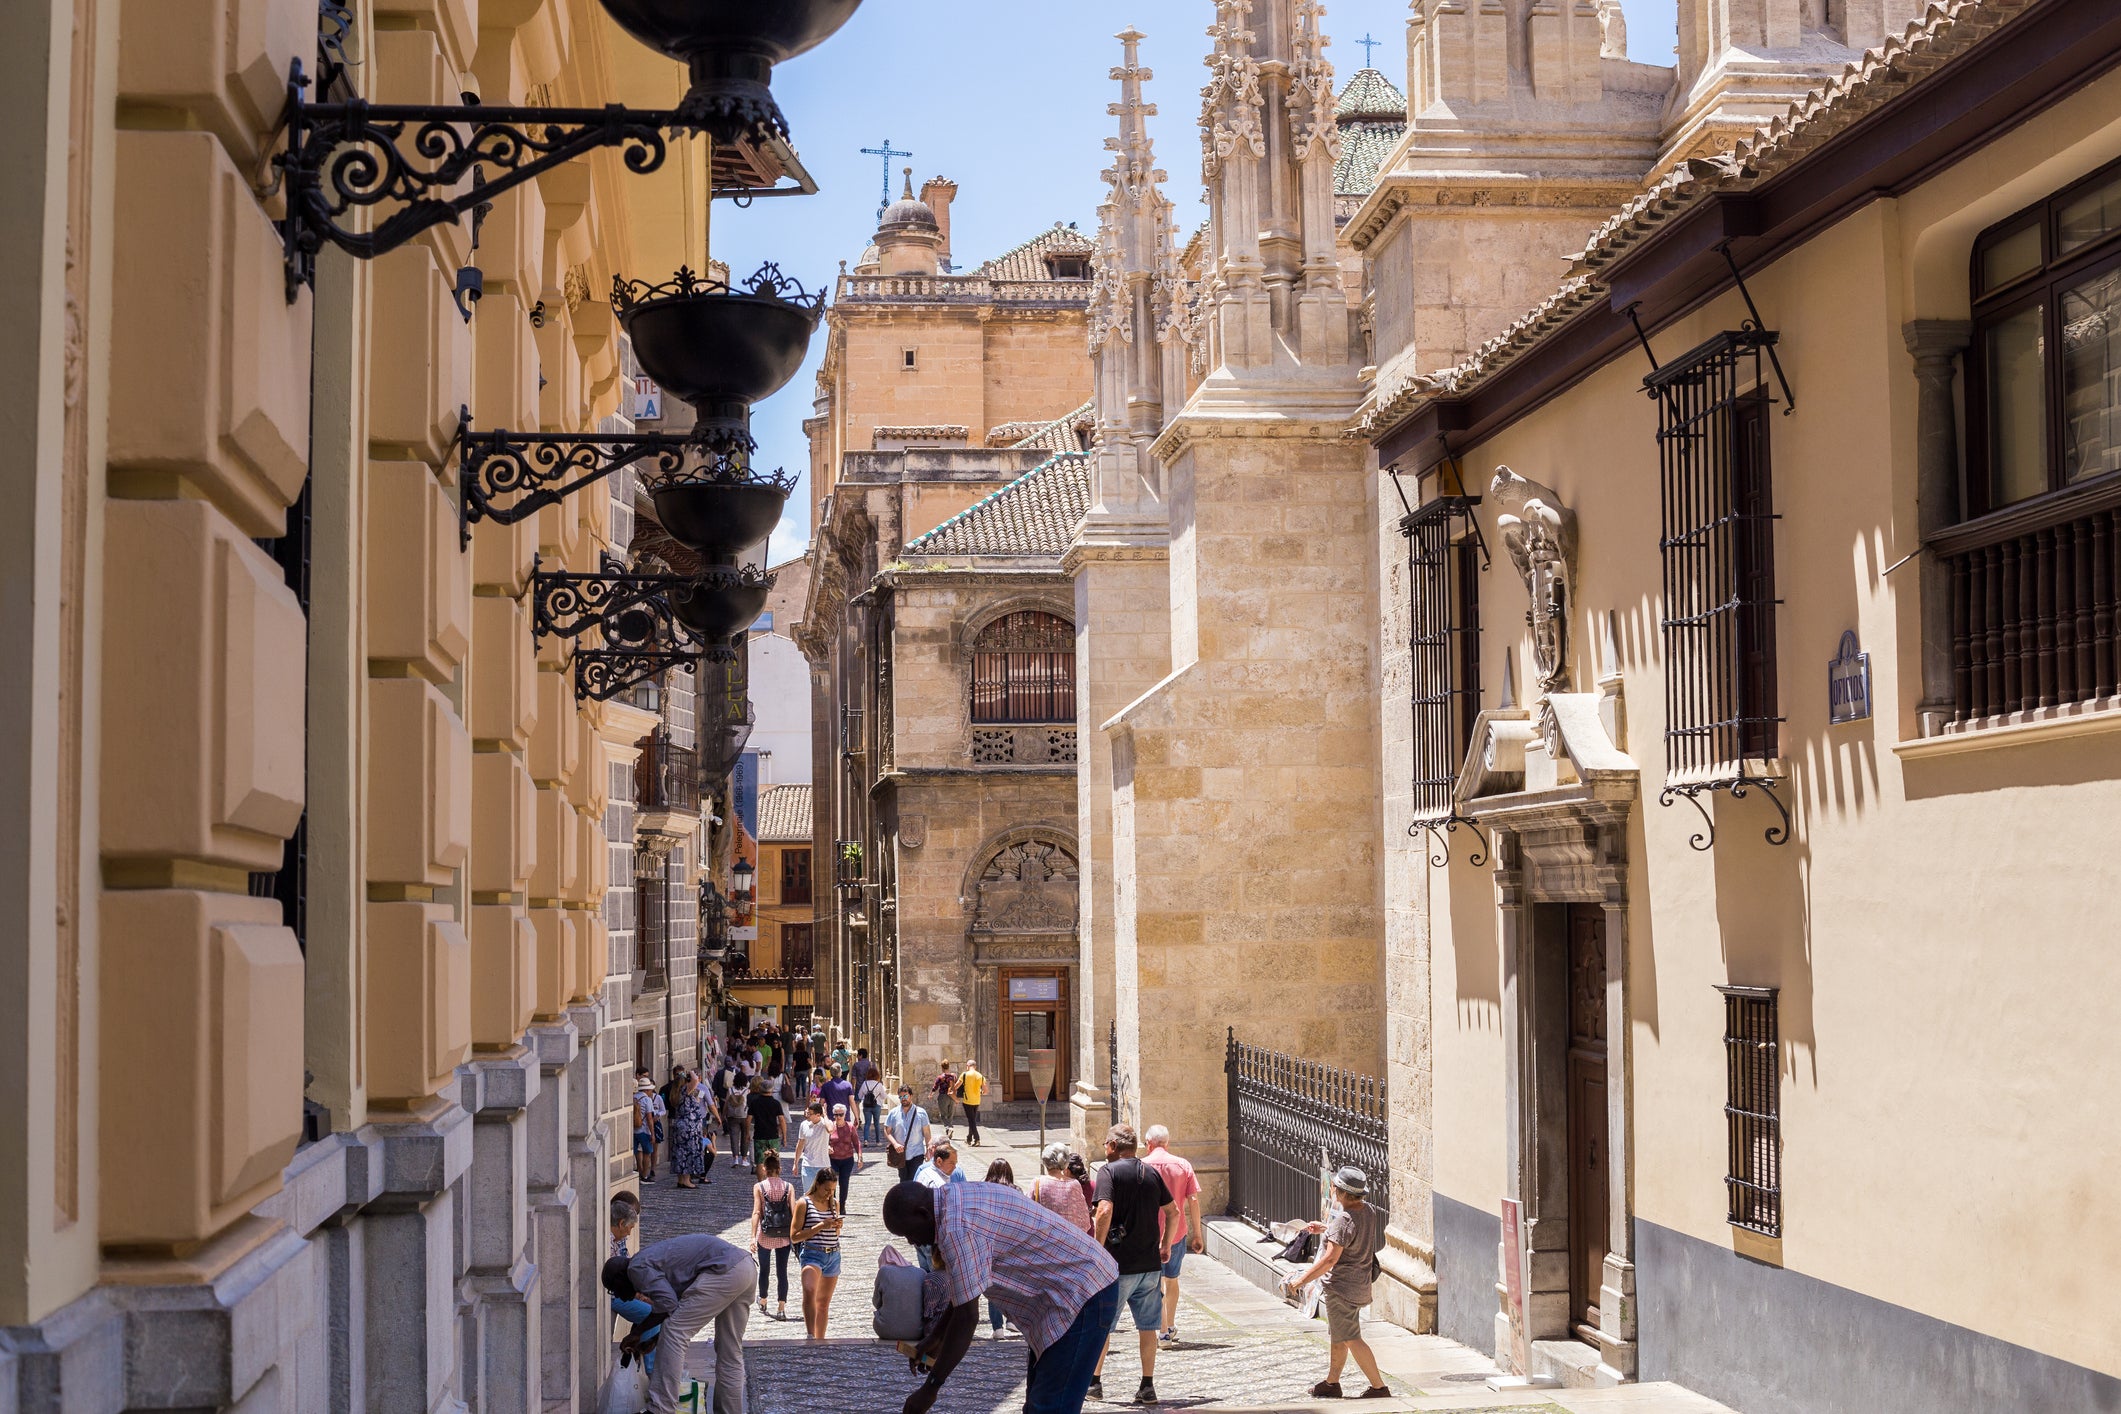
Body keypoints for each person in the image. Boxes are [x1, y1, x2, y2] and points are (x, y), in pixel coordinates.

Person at [882, 1180, 1118, 1414]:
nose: (912, 1242)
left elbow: (966, 1317)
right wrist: (936, 1337)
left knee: (1050, 1407)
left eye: (908, 1233)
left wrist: (930, 1388)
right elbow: (964, 1293)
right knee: (1040, 1404)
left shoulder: (956, 1228)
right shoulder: (952, 1199)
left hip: (1082, 1293)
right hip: (1064, 1296)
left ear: (922, 1214)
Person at [603, 1232, 756, 1414]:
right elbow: (672, 1308)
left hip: (724, 1271)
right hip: (745, 1267)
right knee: (729, 1351)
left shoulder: (635, 1268)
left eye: (614, 1290)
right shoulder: (647, 1260)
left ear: (620, 1277)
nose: (618, 1295)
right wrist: (651, 1338)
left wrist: (638, 1331)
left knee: (674, 1332)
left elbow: (669, 1304)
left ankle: (660, 1408)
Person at [1281, 1166, 1390, 1400]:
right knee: (1339, 1334)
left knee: (1351, 1337)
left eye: (1333, 1187)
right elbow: (1350, 1233)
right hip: (1359, 1284)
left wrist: (1301, 1280)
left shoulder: (1343, 1220)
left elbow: (1330, 1259)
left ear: (1339, 1192)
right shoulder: (1368, 1211)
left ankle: (1379, 1387)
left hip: (1342, 1289)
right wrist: (1326, 1229)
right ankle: (1332, 1382)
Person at [1089, 1124, 1177, 1406]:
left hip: (1117, 1265)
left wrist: (1097, 1249)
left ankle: (1094, 1383)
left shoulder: (1108, 1172)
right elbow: (1173, 1212)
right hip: (1149, 1264)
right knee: (1148, 1327)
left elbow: (1104, 1210)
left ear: (1114, 1145)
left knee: (1103, 1326)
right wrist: (1166, 1244)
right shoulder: (1150, 1172)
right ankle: (1147, 1386)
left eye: (1106, 1144)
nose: (1104, 1148)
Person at [1140, 1124, 1206, 1345]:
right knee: (1172, 1279)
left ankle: (1162, 1330)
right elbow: (1194, 1201)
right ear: (1167, 1143)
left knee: (1154, 1282)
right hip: (1176, 1232)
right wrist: (1197, 1234)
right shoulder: (1183, 1165)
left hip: (1149, 1233)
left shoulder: (1142, 1166)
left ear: (1148, 1144)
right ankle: (1169, 1325)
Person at [607, 1193, 661, 1379]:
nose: (630, 1232)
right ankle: (652, 1369)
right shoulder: (607, 1241)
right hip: (614, 1294)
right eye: (629, 1227)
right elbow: (617, 1279)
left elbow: (629, 1267)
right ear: (621, 1223)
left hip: (622, 1291)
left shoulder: (619, 1238)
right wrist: (638, 1294)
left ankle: (635, 1354)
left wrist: (642, 1292)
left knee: (652, 1309)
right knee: (651, 1315)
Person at [790, 1168, 846, 1339]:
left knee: (823, 1303)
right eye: (827, 1189)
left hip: (833, 1255)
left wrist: (837, 1227)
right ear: (818, 1185)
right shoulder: (804, 1203)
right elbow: (794, 1236)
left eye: (833, 1190)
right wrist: (821, 1225)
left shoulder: (834, 1203)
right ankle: (810, 1335)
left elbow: (835, 1234)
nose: (830, 1193)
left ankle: (820, 1340)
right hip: (812, 1254)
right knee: (809, 1290)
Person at [750, 1150, 795, 1321]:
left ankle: (763, 1300)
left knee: (764, 1270)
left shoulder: (759, 1187)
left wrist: (752, 1237)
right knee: (782, 1271)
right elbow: (793, 1211)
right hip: (784, 1235)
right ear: (779, 1168)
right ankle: (781, 1308)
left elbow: (756, 1212)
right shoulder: (788, 1187)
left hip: (765, 1234)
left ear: (764, 1168)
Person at [982, 1160, 1017, 1336]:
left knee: (993, 1286)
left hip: (989, 1244)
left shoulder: (984, 1191)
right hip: (1011, 1244)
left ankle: (997, 1328)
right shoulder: (1016, 1192)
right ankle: (1011, 1319)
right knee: (1010, 1285)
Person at [1030, 1143, 1093, 1234]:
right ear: (1065, 1162)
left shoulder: (1037, 1183)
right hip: (1069, 1242)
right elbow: (1084, 1220)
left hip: (1044, 1240)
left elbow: (1028, 1214)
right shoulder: (1074, 1184)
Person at [670, 1069, 716, 1189]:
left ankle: (681, 1179)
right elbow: (695, 1079)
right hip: (689, 1127)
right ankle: (686, 1180)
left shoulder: (678, 1093)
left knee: (680, 1152)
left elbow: (696, 1099)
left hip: (682, 1125)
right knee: (688, 1152)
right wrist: (690, 1072)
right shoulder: (684, 1090)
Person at [883, 1085, 933, 1184]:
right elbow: (887, 1131)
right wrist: (895, 1144)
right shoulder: (894, 1113)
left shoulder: (921, 1113)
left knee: (915, 1180)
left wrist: (929, 1150)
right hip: (901, 1154)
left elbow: (927, 1133)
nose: (903, 1099)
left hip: (916, 1153)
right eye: (901, 1097)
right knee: (903, 1180)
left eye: (905, 1096)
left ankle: (914, 1199)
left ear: (911, 1096)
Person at [794, 1099, 833, 1197]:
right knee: (808, 1194)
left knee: (824, 1194)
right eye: (807, 1112)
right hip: (808, 1165)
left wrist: (825, 1115)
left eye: (810, 1114)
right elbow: (800, 1144)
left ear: (818, 1115)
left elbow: (830, 1130)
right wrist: (795, 1163)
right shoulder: (804, 1125)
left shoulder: (825, 1124)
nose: (808, 1115)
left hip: (823, 1165)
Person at [745, 1076, 787, 1169]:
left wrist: (747, 1133)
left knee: (760, 1161)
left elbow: (748, 1119)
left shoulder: (755, 1103)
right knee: (774, 1160)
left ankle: (761, 1182)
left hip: (759, 1135)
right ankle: (773, 1180)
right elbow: (782, 1120)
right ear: (771, 1090)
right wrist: (784, 1136)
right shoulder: (776, 1103)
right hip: (773, 1136)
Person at [632, 1073, 666, 1183]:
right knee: (647, 1152)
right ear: (647, 1090)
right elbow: (649, 1118)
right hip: (644, 1130)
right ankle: (645, 1176)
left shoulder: (633, 1097)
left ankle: (640, 1172)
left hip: (634, 1130)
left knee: (638, 1152)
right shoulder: (647, 1100)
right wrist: (652, 1133)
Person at [828, 1103, 861, 1210]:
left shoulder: (850, 1127)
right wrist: (827, 1147)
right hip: (833, 1159)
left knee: (844, 1182)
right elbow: (824, 1141)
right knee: (831, 1182)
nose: (838, 1117)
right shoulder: (830, 1127)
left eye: (840, 1115)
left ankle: (842, 1205)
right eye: (836, 1115)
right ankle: (833, 1204)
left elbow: (857, 1143)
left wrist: (860, 1157)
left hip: (847, 1159)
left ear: (845, 1114)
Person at [956, 1060, 987, 1146]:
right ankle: (969, 1138)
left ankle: (977, 1139)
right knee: (972, 1119)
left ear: (967, 1066)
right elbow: (985, 1091)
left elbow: (957, 1086)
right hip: (976, 1101)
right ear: (975, 1066)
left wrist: (951, 1090)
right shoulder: (980, 1076)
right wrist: (980, 1092)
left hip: (967, 1100)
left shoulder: (965, 1074)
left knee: (971, 1120)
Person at [929, 1059, 958, 1139]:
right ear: (948, 1066)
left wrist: (931, 1094)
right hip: (951, 1096)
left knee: (943, 1115)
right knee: (950, 1114)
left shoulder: (940, 1077)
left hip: (943, 1097)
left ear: (942, 1067)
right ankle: (949, 1131)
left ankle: (949, 1128)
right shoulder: (953, 1076)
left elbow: (935, 1087)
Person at [859, 1073, 886, 1146]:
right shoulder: (879, 1084)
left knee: (867, 1123)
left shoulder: (865, 1083)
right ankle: (878, 1141)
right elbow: (884, 1096)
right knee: (876, 1123)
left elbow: (859, 1095)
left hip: (867, 1106)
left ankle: (865, 1141)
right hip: (877, 1105)